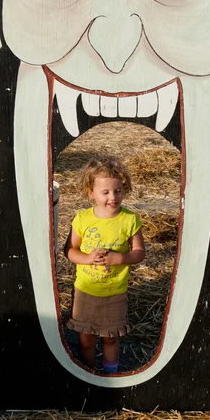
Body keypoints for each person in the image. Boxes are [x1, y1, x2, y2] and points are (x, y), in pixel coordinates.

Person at [64, 156, 145, 374]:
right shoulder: (82, 219)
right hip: (85, 291)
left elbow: (139, 253)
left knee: (110, 340)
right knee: (86, 340)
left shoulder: (130, 220)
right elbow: (70, 251)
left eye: (118, 191)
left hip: (115, 293)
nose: (113, 197)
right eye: (105, 192)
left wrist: (119, 259)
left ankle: (110, 376)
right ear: (91, 192)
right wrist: (88, 258)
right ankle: (88, 374)